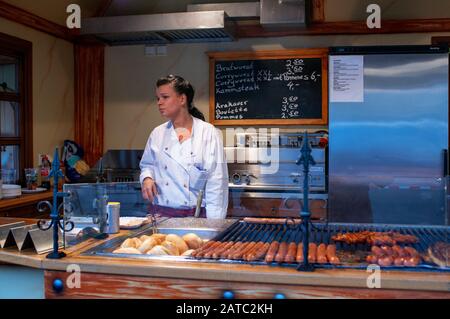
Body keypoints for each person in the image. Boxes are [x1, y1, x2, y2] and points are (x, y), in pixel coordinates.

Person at [140, 75, 228, 219]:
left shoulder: (208, 133)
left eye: (165, 97)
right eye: (158, 98)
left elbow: (217, 182)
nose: (159, 103)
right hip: (160, 215)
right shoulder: (157, 133)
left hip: (195, 217)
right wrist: (147, 178)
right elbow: (147, 165)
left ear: (182, 99)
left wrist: (214, 225)